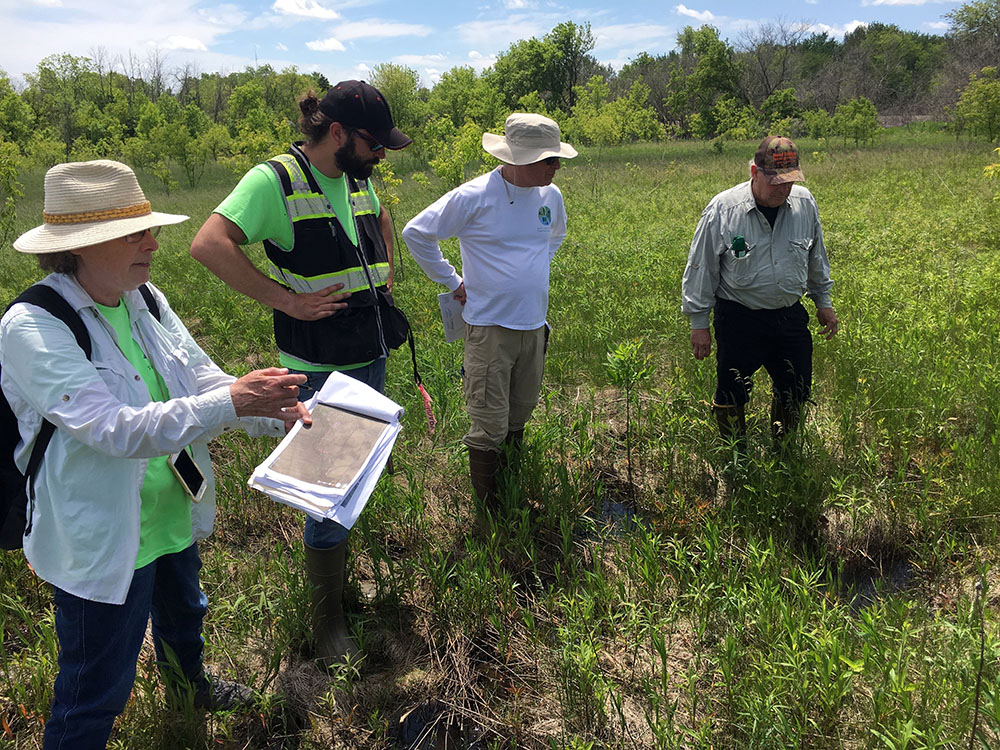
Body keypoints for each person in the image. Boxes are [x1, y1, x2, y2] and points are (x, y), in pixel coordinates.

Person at [0, 160, 312, 750]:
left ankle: (189, 687)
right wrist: (235, 402)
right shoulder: (32, 325)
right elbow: (112, 428)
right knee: (95, 684)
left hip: (171, 508)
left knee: (185, 614)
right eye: (133, 232)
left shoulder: (143, 296)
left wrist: (274, 410)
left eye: (150, 227)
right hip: (103, 533)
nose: (153, 241)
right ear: (81, 246)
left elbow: (200, 378)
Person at [190, 80, 411, 666]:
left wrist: (386, 269)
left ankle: (339, 586)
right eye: (373, 143)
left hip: (369, 349)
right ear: (336, 132)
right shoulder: (276, 181)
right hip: (319, 367)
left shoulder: (357, 175)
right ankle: (327, 623)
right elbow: (208, 244)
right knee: (326, 491)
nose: (380, 154)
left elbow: (381, 219)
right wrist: (285, 300)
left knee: (356, 476)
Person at [402, 113, 577, 511]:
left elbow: (556, 235)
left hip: (534, 326)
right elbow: (416, 232)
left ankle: (511, 495)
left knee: (520, 413)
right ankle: (491, 516)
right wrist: (452, 281)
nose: (557, 167)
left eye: (556, 158)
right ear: (519, 158)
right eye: (549, 160)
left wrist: (534, 266)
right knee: (488, 423)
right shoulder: (474, 196)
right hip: (489, 328)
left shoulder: (551, 197)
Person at [681, 136, 839, 448]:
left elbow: (815, 256)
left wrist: (823, 301)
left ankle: (784, 450)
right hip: (739, 316)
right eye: (775, 182)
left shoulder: (804, 204)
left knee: (794, 387)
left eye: (790, 182)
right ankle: (735, 455)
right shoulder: (724, 209)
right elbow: (702, 267)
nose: (783, 189)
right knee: (731, 390)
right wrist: (698, 323)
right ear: (755, 171)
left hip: (788, 315)